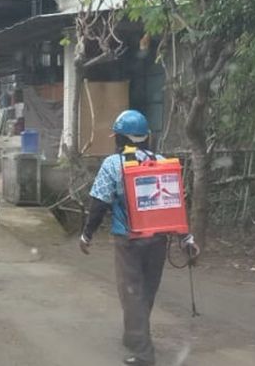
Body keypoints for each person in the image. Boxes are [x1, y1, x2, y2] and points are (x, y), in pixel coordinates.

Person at [78, 110, 200, 366]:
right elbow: (172, 204)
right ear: (146, 138)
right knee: (146, 291)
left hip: (129, 240)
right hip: (158, 240)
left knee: (131, 293)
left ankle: (144, 353)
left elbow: (99, 203)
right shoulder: (161, 162)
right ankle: (133, 336)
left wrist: (87, 234)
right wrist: (186, 238)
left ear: (121, 138)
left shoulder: (113, 164)